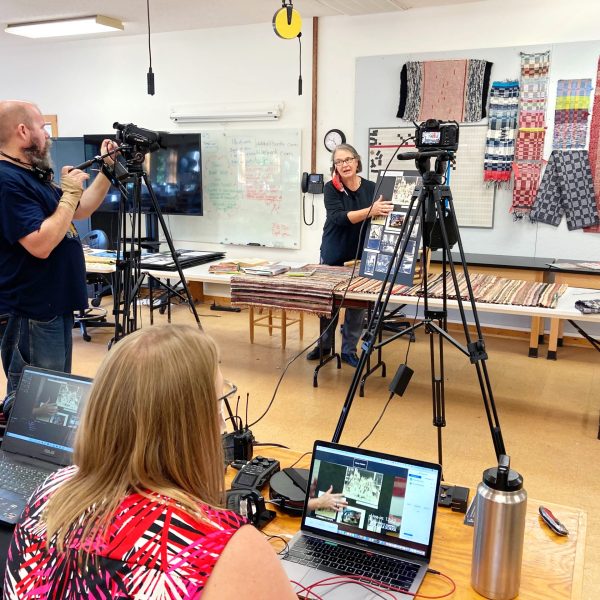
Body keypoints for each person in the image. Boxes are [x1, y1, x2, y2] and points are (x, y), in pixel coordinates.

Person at [4, 324, 297, 599]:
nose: (223, 423)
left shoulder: (49, 494)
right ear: (195, 427)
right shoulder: (223, 548)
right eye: (218, 405)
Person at [0, 100, 116, 416]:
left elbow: (81, 210)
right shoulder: (6, 180)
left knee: (55, 390)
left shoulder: (30, 175)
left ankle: (48, 458)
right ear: (22, 131)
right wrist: (67, 194)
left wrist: (106, 170)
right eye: (42, 127)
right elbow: (41, 244)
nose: (48, 135)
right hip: (32, 310)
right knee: (37, 403)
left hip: (54, 304)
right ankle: (26, 461)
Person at [307, 143, 393, 367]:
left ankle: (348, 350)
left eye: (347, 160)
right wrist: (370, 211)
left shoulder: (373, 187)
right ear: (334, 166)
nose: (344, 165)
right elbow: (339, 218)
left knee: (357, 306)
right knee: (329, 304)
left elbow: (382, 218)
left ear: (357, 161)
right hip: (334, 251)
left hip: (361, 254)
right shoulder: (330, 188)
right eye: (338, 161)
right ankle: (324, 345)